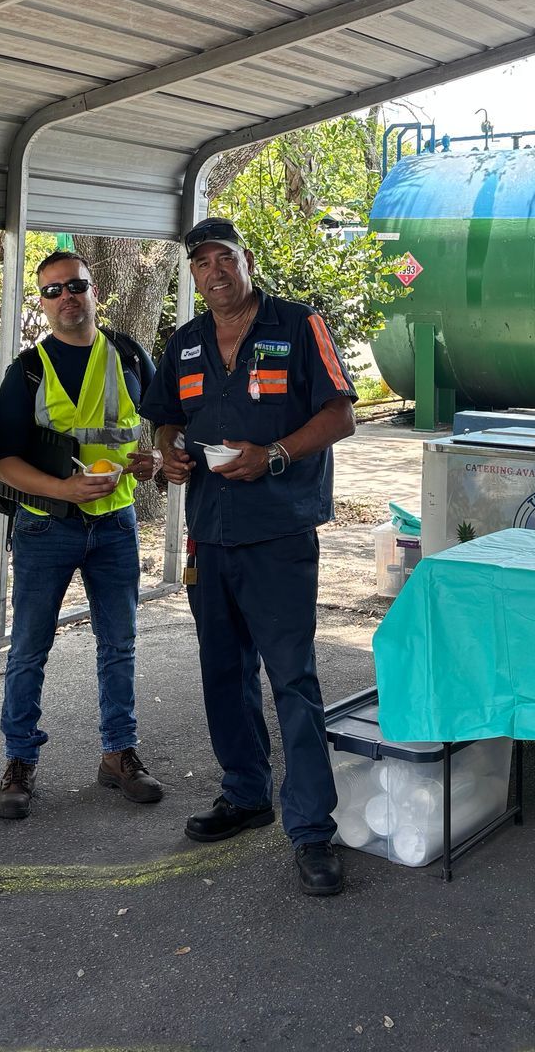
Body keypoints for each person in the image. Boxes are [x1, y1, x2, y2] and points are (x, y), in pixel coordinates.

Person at [140, 216, 357, 896]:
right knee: (222, 672)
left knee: (292, 679)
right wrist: (170, 453)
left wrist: (276, 454)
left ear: (246, 260)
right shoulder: (186, 342)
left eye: (223, 259)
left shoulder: (298, 325)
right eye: (201, 263)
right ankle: (245, 793)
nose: (214, 273)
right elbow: (166, 415)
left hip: (280, 531)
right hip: (211, 531)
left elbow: (341, 415)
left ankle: (313, 831)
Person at [0, 251, 161, 819]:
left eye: (76, 286)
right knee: (29, 649)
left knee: (120, 645)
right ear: (42, 302)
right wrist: (60, 491)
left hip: (116, 522)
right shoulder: (27, 370)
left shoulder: (130, 355)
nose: (67, 298)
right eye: (53, 291)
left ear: (93, 291)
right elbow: (0, 465)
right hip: (46, 526)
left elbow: (159, 429)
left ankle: (119, 753)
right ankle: (19, 762)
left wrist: (153, 460)